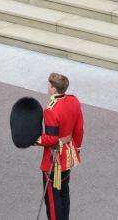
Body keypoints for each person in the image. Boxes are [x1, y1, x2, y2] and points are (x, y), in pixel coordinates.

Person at [36, 73, 84, 220]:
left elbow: (51, 139)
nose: (48, 88)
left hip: (54, 157)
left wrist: (34, 139)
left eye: (49, 86)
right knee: (64, 192)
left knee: (52, 198)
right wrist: (77, 149)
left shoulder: (51, 109)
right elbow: (79, 129)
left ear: (54, 89)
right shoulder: (73, 100)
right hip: (68, 154)